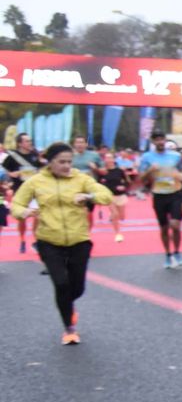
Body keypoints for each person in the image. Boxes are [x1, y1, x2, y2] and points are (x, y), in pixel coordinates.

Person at [9, 143, 112, 344]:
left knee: (77, 288)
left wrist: (89, 196)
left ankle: (67, 305)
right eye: (61, 162)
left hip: (79, 239)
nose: (66, 166)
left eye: (69, 162)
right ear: (50, 162)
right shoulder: (35, 182)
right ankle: (69, 328)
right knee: (61, 283)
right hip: (49, 240)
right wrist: (24, 212)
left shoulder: (81, 179)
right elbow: (16, 205)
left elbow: (106, 196)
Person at [139, 132, 182, 268]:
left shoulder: (176, 156)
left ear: (165, 140)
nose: (160, 142)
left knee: (175, 225)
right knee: (164, 227)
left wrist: (181, 177)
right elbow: (141, 179)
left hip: (175, 193)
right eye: (157, 140)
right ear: (153, 141)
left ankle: (177, 251)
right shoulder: (147, 157)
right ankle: (168, 254)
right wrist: (150, 170)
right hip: (159, 195)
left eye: (162, 139)